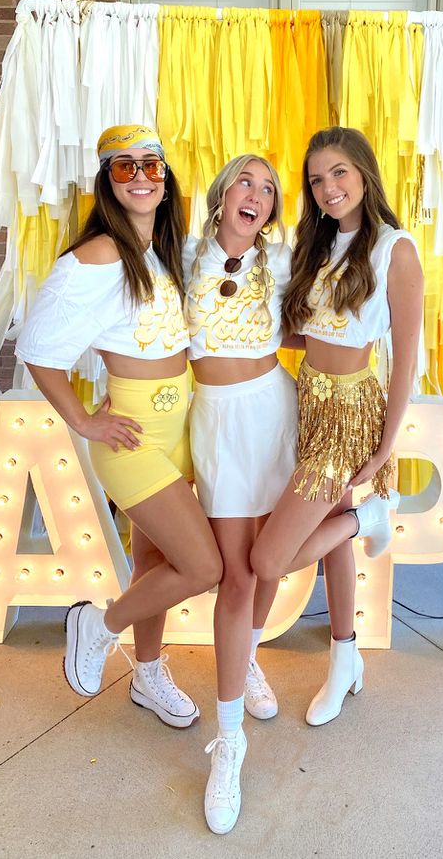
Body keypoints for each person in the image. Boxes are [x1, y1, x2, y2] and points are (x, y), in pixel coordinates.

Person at [16, 124, 222, 729]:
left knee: (156, 563)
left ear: (166, 178)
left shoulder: (166, 248)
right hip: (132, 434)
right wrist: (82, 420)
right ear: (108, 182)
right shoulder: (100, 254)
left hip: (180, 427)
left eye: (150, 165)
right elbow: (38, 347)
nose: (140, 177)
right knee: (203, 567)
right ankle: (98, 625)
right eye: (124, 167)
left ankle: (149, 673)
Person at [250, 126, 423, 726]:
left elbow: (405, 359)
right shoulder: (317, 245)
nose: (328, 188)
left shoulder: (394, 250)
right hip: (309, 401)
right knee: (329, 548)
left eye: (339, 173)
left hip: (351, 412)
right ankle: (344, 657)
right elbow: (312, 331)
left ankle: (365, 516)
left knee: (270, 557)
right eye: (317, 179)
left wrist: (382, 449)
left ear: (365, 173)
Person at [183, 155, 297, 834]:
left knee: (270, 562)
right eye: (245, 181)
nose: (255, 194)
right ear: (223, 192)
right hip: (217, 418)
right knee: (233, 574)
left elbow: (329, 318)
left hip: (273, 409)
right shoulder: (180, 254)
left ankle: (246, 657)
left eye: (269, 188)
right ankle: (229, 746)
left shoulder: (281, 262)